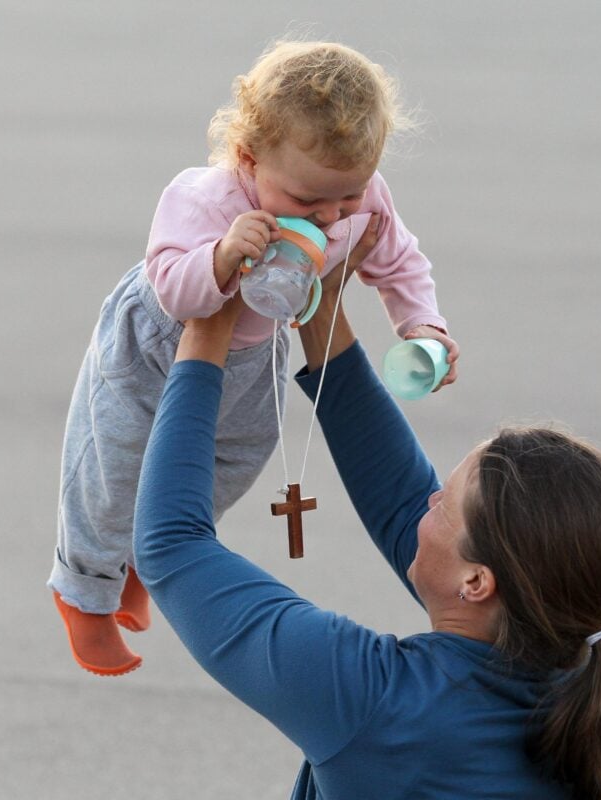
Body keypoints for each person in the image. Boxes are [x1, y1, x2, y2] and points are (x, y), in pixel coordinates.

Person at [132, 232, 601, 797]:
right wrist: (321, 308)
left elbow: (172, 546)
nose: (426, 502)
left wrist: (209, 323)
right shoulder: (586, 705)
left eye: (444, 504)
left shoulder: (375, 700)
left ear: (478, 582)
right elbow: (404, 501)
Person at [48, 39, 459, 676]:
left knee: (237, 457)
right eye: (307, 203)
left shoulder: (359, 196)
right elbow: (171, 286)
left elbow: (397, 262)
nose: (329, 217)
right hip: (156, 343)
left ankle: (136, 561)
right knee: (114, 466)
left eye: (346, 199)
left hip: (253, 353)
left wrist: (422, 325)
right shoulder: (206, 199)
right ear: (248, 157)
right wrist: (218, 258)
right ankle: (83, 593)